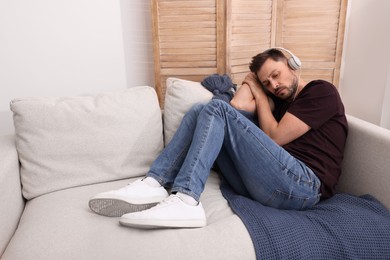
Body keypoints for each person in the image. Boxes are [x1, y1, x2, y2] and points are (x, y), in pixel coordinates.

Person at [89, 48, 348, 229]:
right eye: (266, 82)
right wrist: (257, 87)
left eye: (276, 74)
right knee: (202, 110)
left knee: (216, 109)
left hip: (303, 186)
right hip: (271, 182)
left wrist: (259, 93)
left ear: (293, 63)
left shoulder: (321, 91)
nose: (273, 85)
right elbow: (236, 104)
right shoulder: (277, 105)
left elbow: (275, 137)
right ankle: (155, 182)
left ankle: (187, 199)